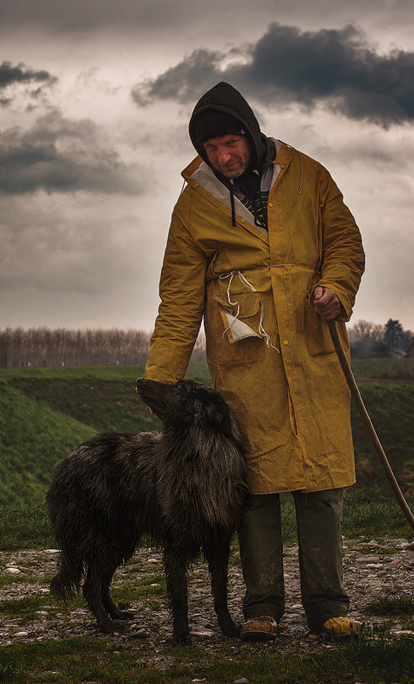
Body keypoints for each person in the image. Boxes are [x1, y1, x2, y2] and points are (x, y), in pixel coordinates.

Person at [142, 82, 366, 642]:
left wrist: (337, 287)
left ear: (250, 131)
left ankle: (327, 603)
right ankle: (262, 604)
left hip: (312, 349)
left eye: (230, 141)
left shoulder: (309, 174)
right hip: (248, 360)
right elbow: (179, 295)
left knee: (320, 484)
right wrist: (160, 377)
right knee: (256, 487)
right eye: (212, 148)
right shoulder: (195, 201)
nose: (224, 156)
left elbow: (346, 243)